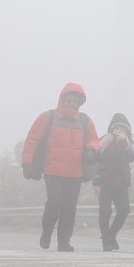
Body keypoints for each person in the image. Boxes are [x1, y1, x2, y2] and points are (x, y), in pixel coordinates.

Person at [21, 83, 99, 252]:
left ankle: (64, 241)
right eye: (69, 100)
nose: (72, 103)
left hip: (75, 173)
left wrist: (92, 150)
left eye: (75, 101)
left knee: (70, 207)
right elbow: (32, 139)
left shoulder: (85, 121)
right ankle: (47, 231)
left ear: (79, 103)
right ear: (62, 99)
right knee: (54, 203)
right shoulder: (48, 117)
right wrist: (26, 162)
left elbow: (93, 139)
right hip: (52, 171)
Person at [94, 112, 134, 251]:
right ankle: (106, 241)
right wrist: (95, 181)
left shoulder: (128, 144)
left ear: (127, 130)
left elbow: (131, 158)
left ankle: (111, 235)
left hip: (122, 182)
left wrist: (125, 144)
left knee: (124, 210)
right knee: (105, 212)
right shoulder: (105, 140)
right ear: (112, 128)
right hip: (105, 181)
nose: (119, 130)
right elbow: (95, 159)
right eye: (117, 127)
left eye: (123, 127)